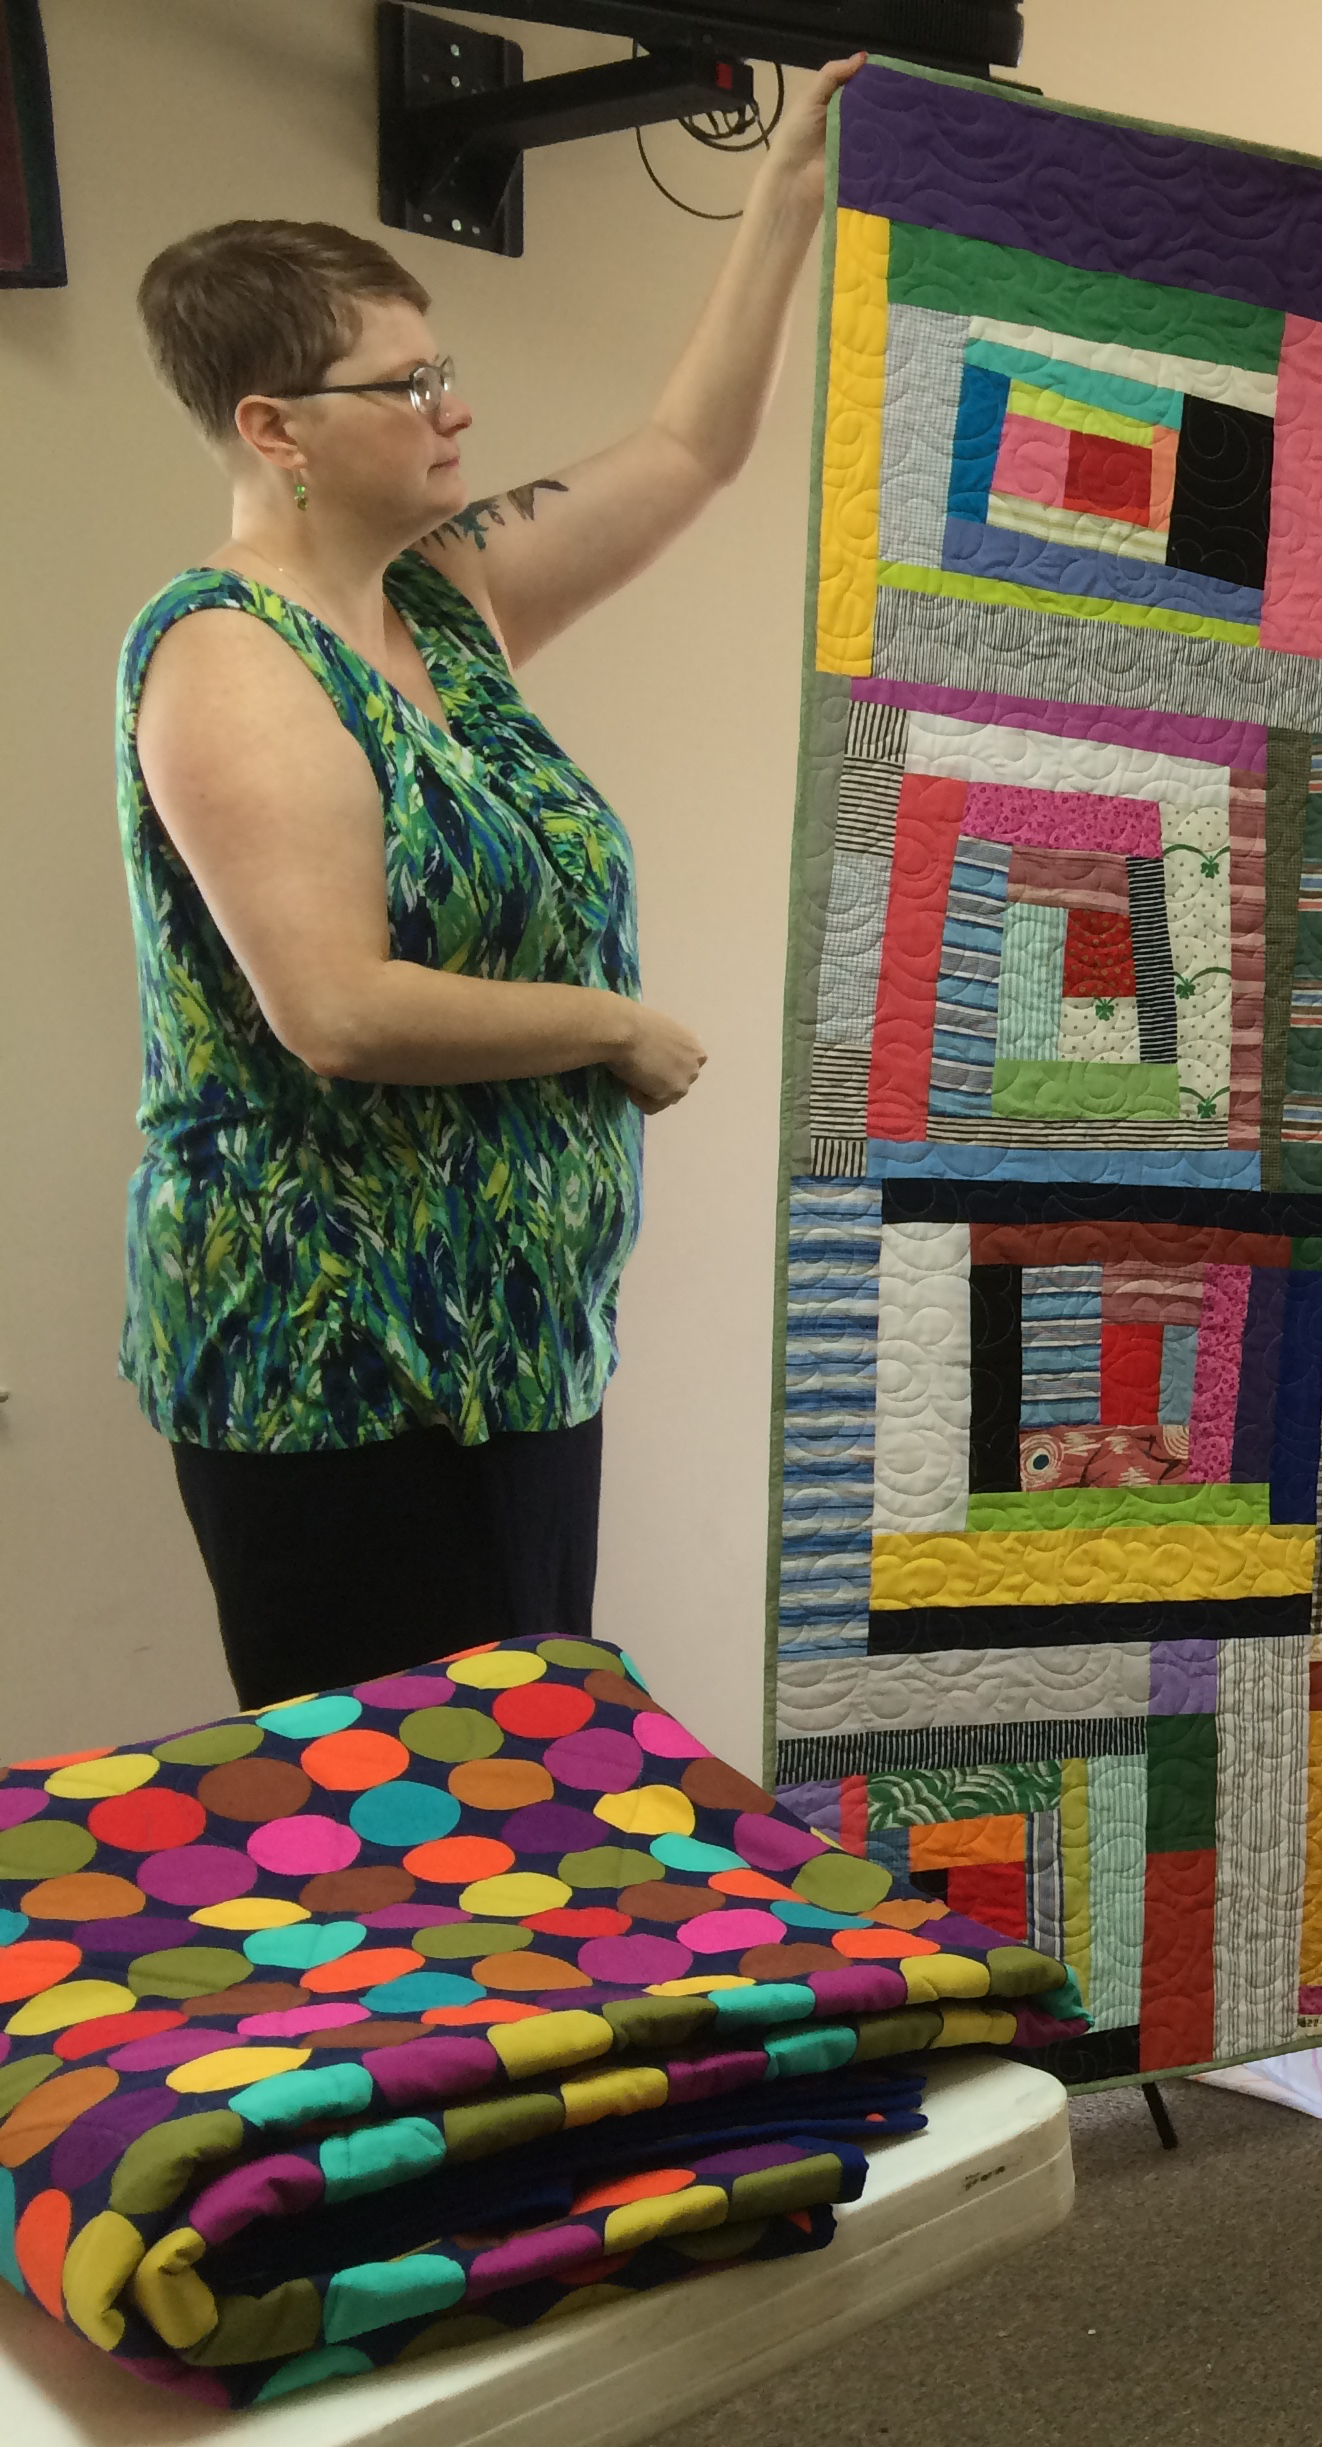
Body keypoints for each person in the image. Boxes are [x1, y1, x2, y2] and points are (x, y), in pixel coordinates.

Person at [121, 58, 864, 1708]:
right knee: (404, 1826)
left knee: (527, 1797)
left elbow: (688, 448)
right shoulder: (229, 659)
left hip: (516, 1347)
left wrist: (789, 191)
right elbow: (336, 1008)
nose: (453, 408)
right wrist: (611, 1025)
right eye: (406, 384)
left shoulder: (443, 605)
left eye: (441, 368)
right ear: (274, 428)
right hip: (337, 1370)